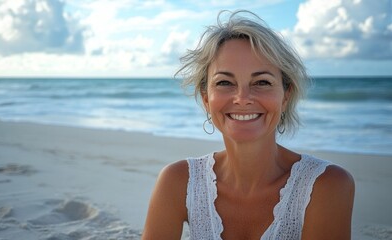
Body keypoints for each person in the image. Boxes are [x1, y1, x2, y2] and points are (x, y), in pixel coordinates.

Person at [142, 10, 355, 240]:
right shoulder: (178, 181)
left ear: (285, 95)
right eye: (225, 82)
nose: (242, 98)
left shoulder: (325, 185)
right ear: (206, 98)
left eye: (262, 82)